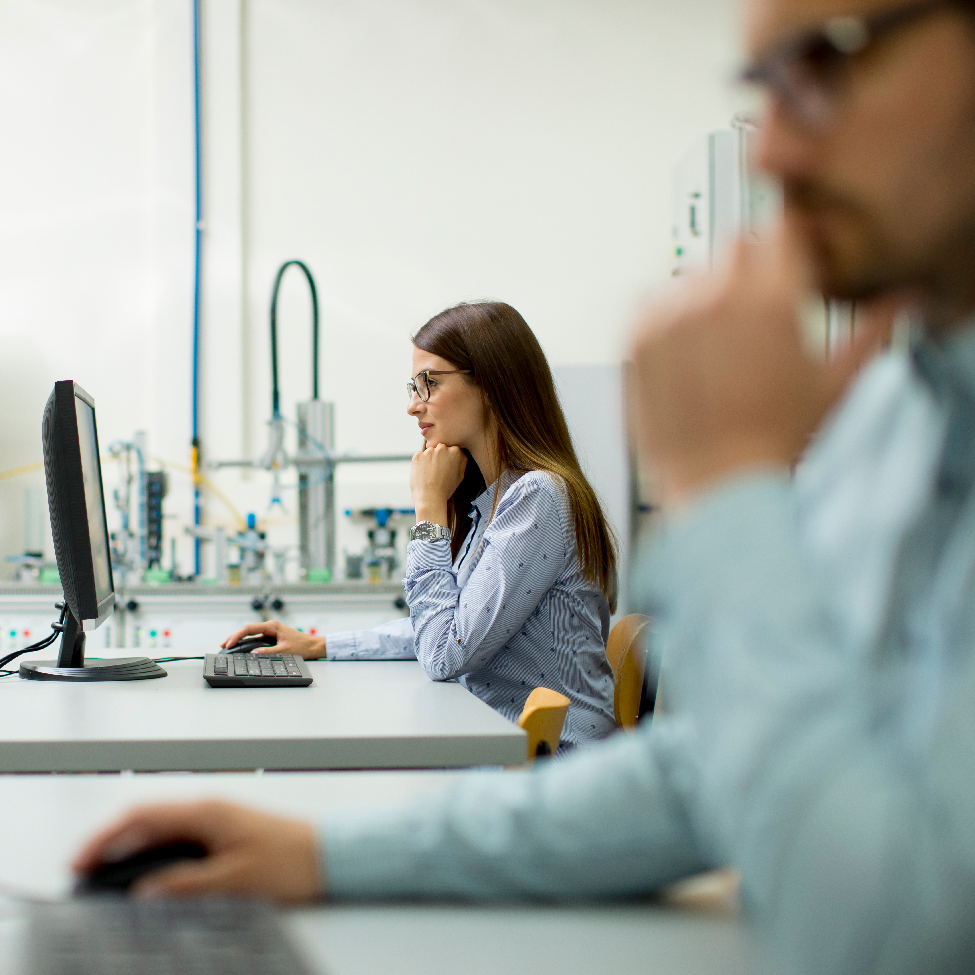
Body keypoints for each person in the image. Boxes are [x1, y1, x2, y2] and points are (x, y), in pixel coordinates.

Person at [74, 1, 975, 971]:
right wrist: (323, 854)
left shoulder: (540, 497)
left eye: (822, 64)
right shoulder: (900, 416)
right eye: (764, 88)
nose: (771, 156)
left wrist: (724, 483)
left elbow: (900, 938)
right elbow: (704, 773)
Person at [222, 301, 619, 747]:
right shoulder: (492, 502)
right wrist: (319, 645)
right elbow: (451, 625)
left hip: (553, 767)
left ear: (492, 383)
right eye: (413, 386)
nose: (414, 406)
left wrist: (428, 509)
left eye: (429, 383)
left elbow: (445, 653)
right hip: (507, 745)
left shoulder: (537, 497)